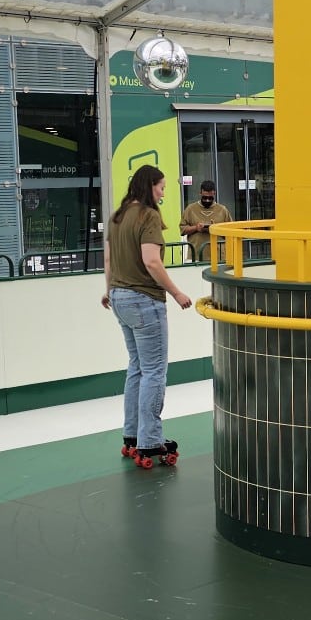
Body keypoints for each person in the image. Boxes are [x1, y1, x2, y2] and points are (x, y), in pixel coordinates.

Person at [102, 164, 194, 467]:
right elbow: (152, 262)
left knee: (137, 368)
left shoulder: (117, 216)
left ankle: (132, 435)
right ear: (150, 186)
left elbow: (109, 259)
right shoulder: (148, 216)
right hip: (144, 300)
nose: (163, 192)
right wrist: (176, 292)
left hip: (118, 297)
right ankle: (151, 440)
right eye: (162, 187)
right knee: (154, 370)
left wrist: (109, 290)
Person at [179, 179, 231, 263]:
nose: (207, 200)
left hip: (218, 256)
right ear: (200, 193)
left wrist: (216, 229)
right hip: (196, 256)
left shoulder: (222, 210)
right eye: (205, 197)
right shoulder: (190, 209)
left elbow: (230, 231)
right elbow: (183, 229)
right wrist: (196, 228)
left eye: (210, 198)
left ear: (214, 194)